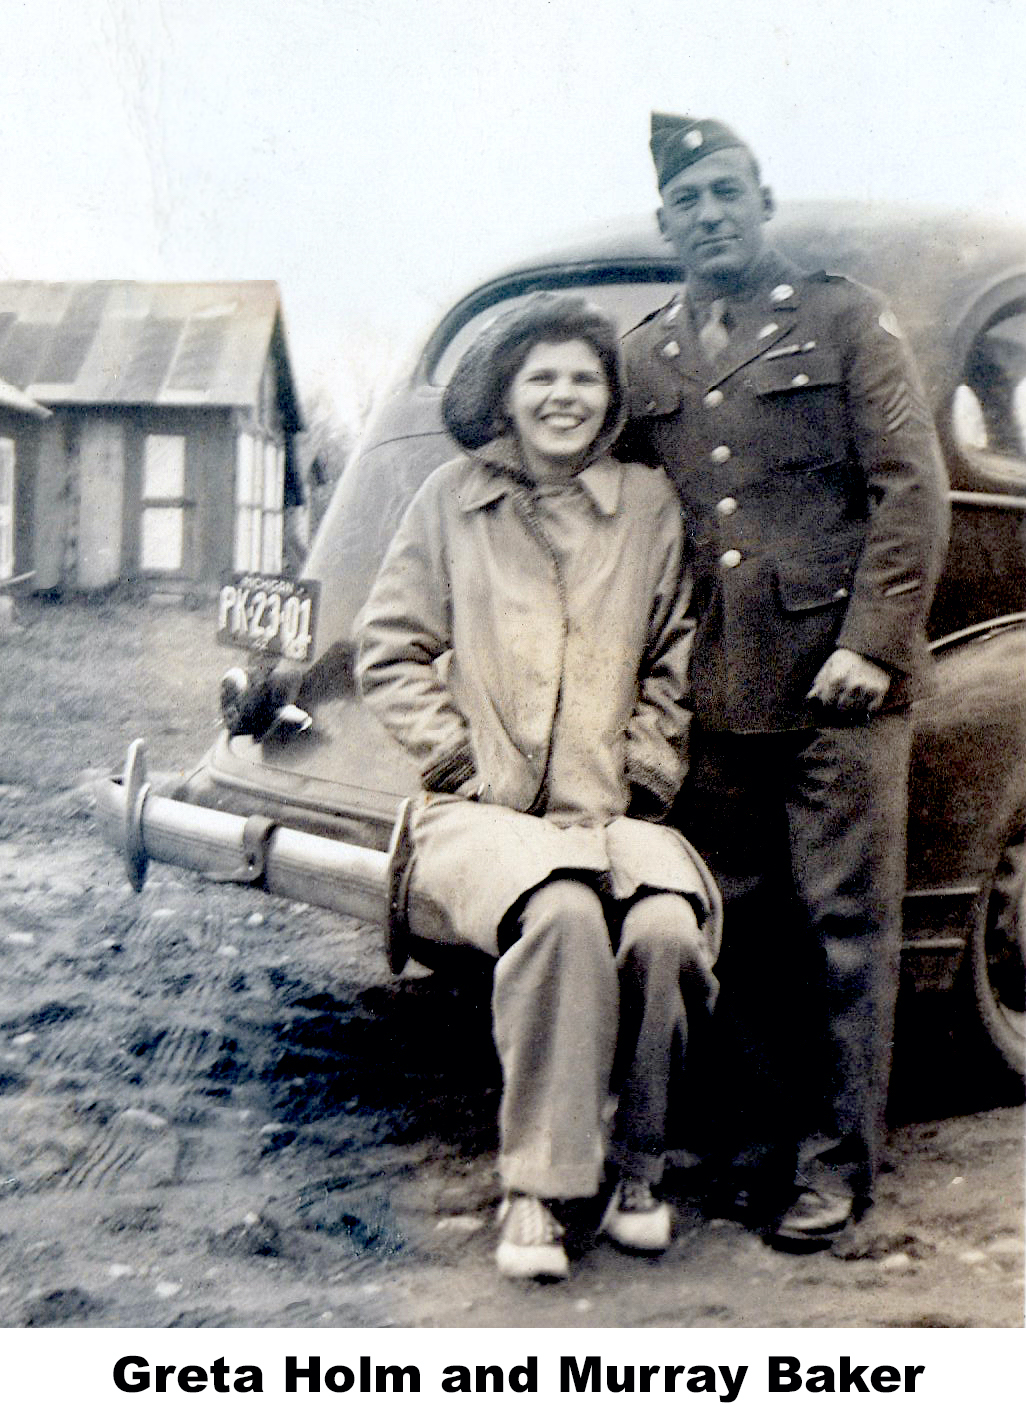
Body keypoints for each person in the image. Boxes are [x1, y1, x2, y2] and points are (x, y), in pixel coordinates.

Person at [618, 113, 949, 1247]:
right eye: (687, 203)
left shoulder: (843, 317)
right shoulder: (646, 352)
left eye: (726, 193)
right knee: (740, 923)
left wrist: (873, 642)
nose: (709, 215)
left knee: (844, 926)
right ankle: (753, 1146)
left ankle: (835, 1163)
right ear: (665, 224)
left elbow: (911, 489)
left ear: (762, 202)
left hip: (838, 685)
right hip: (715, 687)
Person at [356, 292, 721, 1281]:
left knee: (666, 931)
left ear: (608, 400)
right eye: (542, 378)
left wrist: (646, 769)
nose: (563, 396)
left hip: (610, 809)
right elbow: (388, 649)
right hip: (482, 814)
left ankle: (639, 1168)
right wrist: (455, 761)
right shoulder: (449, 499)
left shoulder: (647, 505)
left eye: (584, 379)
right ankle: (539, 1185)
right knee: (560, 913)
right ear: (507, 397)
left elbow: (676, 658)